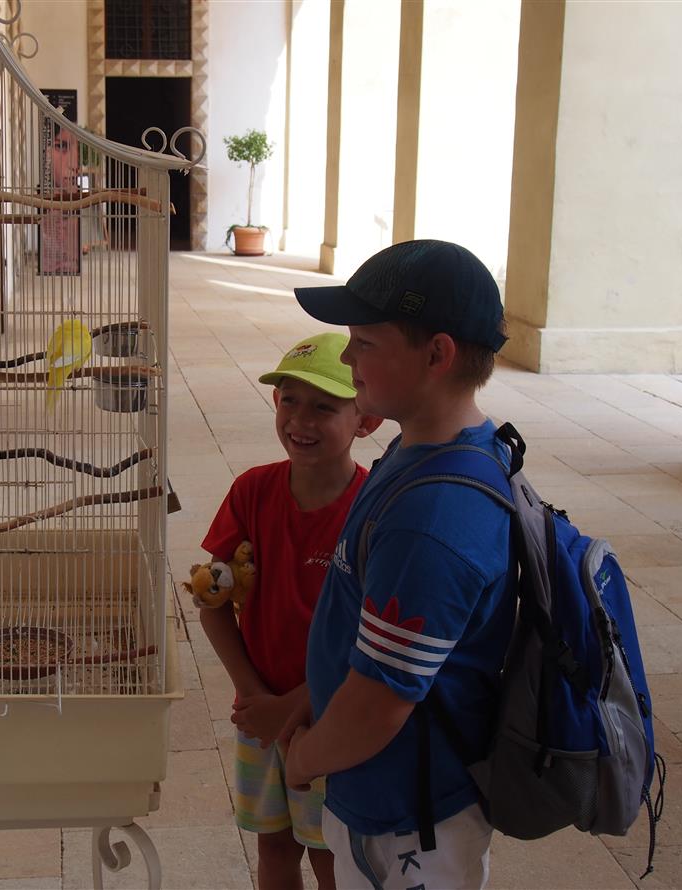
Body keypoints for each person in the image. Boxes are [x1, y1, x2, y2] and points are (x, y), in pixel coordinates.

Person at [282, 240, 514, 890]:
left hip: (411, 822)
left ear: (437, 354)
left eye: (364, 342)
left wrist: (305, 758)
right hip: (387, 793)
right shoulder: (425, 450)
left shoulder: (432, 518)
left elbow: (379, 706)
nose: (347, 357)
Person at [197, 332, 381, 890]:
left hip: (331, 720)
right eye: (290, 401)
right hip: (257, 714)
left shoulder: (372, 511)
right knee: (273, 846)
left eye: (323, 407)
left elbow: (372, 642)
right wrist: (255, 698)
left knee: (330, 855)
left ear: (366, 420)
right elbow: (211, 604)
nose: (300, 420)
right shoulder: (251, 491)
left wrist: (293, 707)